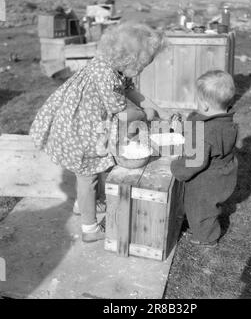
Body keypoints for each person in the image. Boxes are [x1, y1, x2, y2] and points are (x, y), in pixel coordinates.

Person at [30, 22, 166, 243]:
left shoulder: (114, 68)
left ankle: (82, 205)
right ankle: (90, 228)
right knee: (88, 177)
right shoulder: (105, 74)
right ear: (129, 58)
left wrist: (159, 110)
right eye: (142, 65)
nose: (142, 70)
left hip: (86, 126)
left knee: (89, 175)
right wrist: (144, 114)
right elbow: (121, 110)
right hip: (80, 132)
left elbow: (130, 92)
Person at [171, 70, 238, 248]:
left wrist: (177, 167)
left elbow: (195, 161)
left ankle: (207, 238)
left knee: (201, 208)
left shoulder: (207, 133)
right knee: (208, 205)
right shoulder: (226, 121)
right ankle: (200, 225)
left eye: (198, 101)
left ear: (206, 105)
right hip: (222, 173)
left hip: (207, 180)